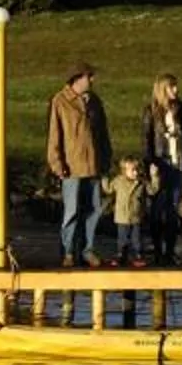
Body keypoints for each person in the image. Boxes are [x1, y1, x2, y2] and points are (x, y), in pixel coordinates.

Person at [45, 62, 111, 267]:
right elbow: (54, 134)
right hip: (71, 166)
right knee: (71, 211)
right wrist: (57, 163)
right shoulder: (60, 101)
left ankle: (87, 249)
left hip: (93, 164)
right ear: (77, 78)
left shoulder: (95, 102)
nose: (91, 80)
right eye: (88, 76)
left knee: (94, 208)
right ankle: (67, 252)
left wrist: (106, 158)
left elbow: (103, 133)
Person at [142, 72, 182, 265]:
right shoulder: (151, 111)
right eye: (171, 87)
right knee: (158, 208)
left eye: (176, 86)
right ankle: (157, 250)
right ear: (162, 89)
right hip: (160, 163)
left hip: (177, 162)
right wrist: (149, 164)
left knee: (173, 208)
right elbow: (147, 140)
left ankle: (170, 251)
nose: (176, 90)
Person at [105, 156, 150, 267]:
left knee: (137, 238)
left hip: (136, 216)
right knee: (122, 238)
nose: (135, 172)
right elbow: (109, 189)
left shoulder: (141, 182)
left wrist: (154, 176)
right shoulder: (118, 181)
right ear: (124, 171)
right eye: (132, 170)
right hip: (122, 217)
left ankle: (137, 255)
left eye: (137, 169)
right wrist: (104, 177)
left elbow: (152, 190)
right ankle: (121, 255)